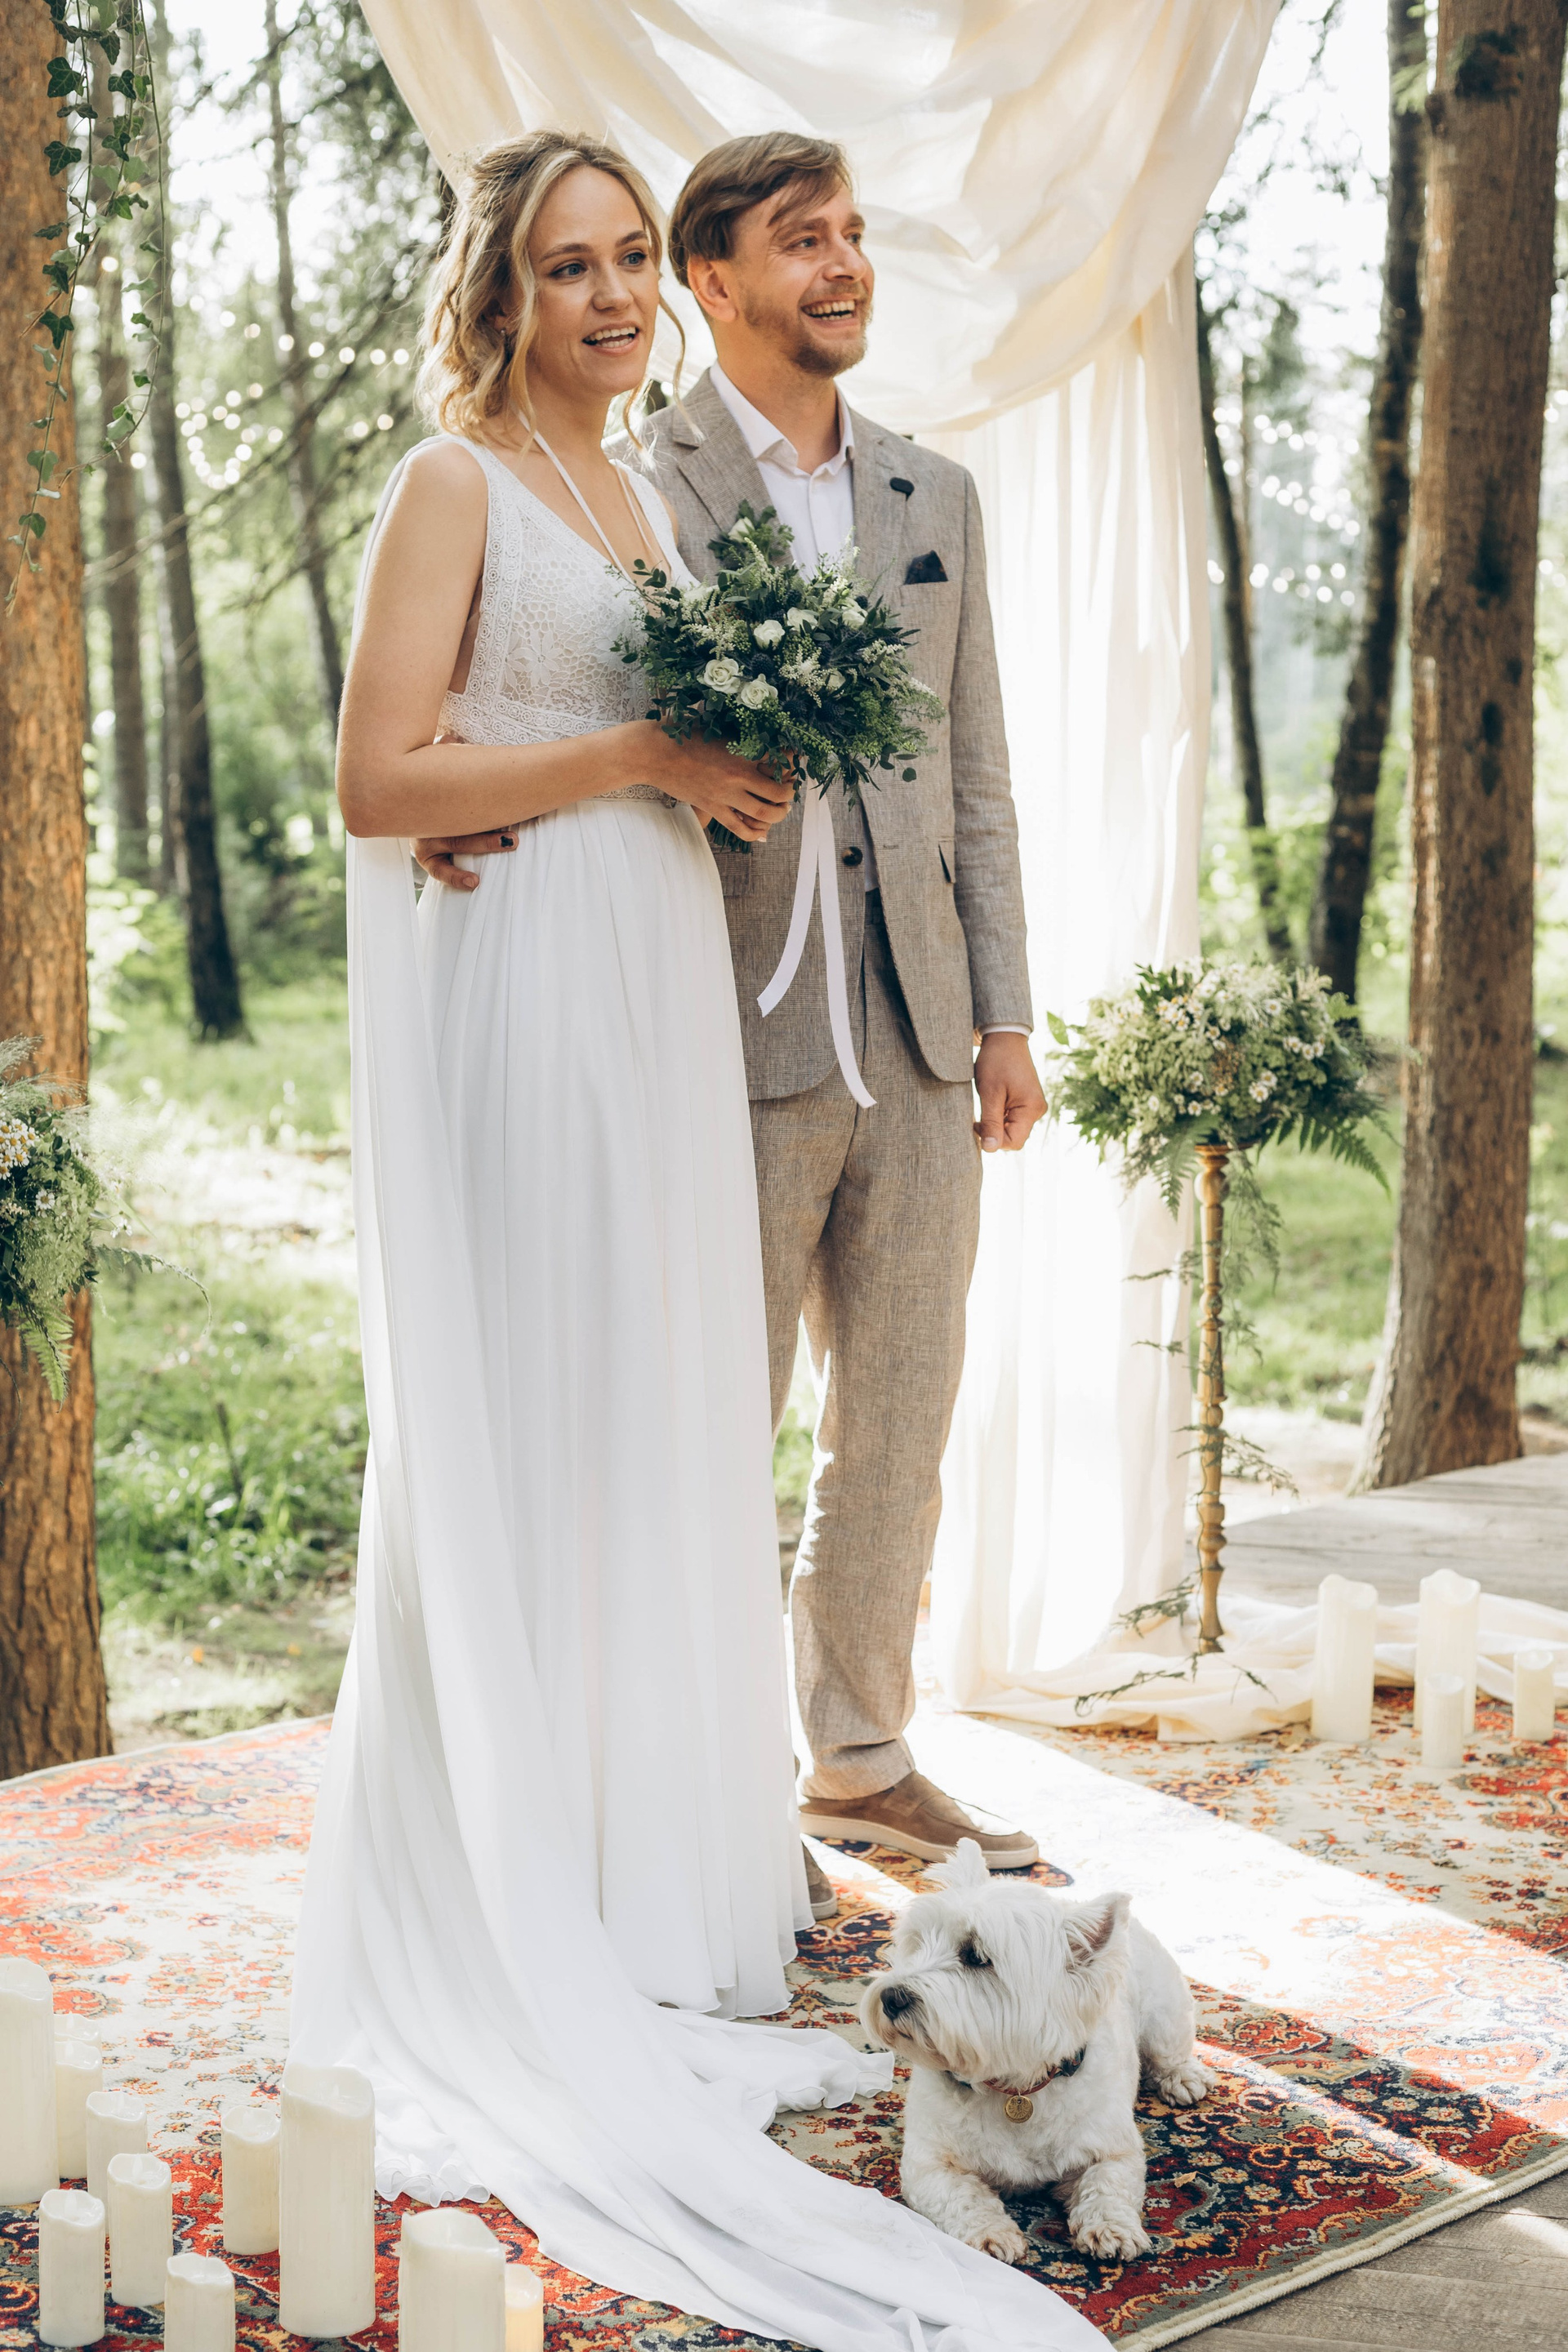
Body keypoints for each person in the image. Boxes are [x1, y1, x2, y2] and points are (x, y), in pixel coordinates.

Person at [294, 127, 1096, 2352]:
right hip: (558, 994)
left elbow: (811, 755)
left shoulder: (651, 499)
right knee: (559, 1431)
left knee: (665, 1447)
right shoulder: (466, 480)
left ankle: (657, 1861)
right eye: (573, 264)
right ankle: (506, 1876)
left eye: (629, 255)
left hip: (670, 978)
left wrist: (653, 772)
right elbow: (387, 776)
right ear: (501, 284)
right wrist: (608, 765)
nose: (611, 293)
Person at [428, 133, 1047, 1909]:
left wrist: (1006, 1013)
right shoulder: (633, 486)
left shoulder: (938, 496)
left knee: (900, 1421)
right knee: (707, 1418)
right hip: (711, 1022)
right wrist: (460, 803)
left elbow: (977, 778)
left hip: (919, 1031)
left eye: (854, 234)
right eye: (802, 240)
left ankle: (862, 1756)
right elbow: (523, 678)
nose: (844, 265)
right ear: (714, 280)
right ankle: (699, 1783)